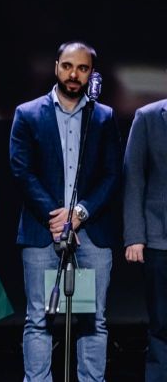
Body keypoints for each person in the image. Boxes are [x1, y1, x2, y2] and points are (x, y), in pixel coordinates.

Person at [10, 41, 122, 382]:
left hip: (90, 232)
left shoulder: (103, 117)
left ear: (91, 73)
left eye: (83, 68)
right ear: (56, 66)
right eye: (68, 66)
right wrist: (56, 215)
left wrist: (80, 214)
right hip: (42, 231)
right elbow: (22, 170)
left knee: (92, 319)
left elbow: (112, 173)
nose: (74, 74)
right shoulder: (28, 113)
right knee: (39, 318)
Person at [123, 98, 167, 382]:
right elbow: (133, 177)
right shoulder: (148, 116)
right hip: (159, 239)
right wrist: (134, 236)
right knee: (161, 324)